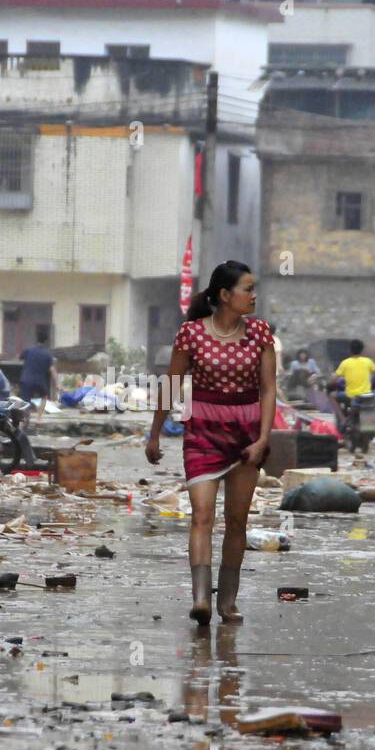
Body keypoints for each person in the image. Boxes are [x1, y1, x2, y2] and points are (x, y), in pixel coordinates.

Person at [146, 260, 276, 626]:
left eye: (254, 289)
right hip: (202, 433)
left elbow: (268, 389)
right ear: (224, 294)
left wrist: (264, 438)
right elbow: (171, 384)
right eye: (247, 289)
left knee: (237, 522)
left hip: (247, 437)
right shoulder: (190, 334)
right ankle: (201, 599)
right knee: (201, 516)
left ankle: (228, 602)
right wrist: (155, 432)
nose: (253, 296)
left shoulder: (261, 334)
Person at [330, 339, 375, 432]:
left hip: (351, 395)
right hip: (366, 395)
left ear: (349, 350)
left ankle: (342, 419)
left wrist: (331, 382)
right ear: (362, 350)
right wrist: (372, 379)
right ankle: (371, 426)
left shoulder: (345, 363)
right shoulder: (368, 361)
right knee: (373, 405)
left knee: (332, 396)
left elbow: (334, 380)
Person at [19, 334, 57, 419]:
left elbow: (20, 358)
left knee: (25, 401)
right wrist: (57, 384)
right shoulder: (48, 354)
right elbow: (52, 370)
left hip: (26, 379)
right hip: (40, 381)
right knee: (44, 397)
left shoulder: (28, 350)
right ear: (46, 342)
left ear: (36, 340)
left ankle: (24, 420)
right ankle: (39, 419)